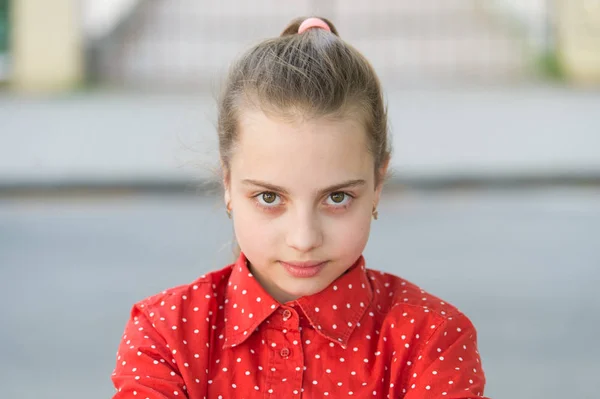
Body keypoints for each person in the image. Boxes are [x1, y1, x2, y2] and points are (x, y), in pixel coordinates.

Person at [110, 16, 489, 399]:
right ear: (228, 182)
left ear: (377, 185)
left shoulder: (433, 340)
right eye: (270, 198)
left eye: (337, 197)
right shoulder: (164, 333)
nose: (304, 239)